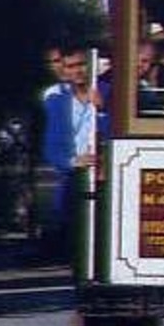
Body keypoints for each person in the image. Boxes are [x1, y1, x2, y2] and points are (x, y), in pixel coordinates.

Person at [41, 45, 98, 258]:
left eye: (82, 64)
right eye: (70, 66)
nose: (77, 71)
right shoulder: (56, 99)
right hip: (76, 176)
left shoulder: (107, 91)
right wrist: (74, 161)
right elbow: (52, 145)